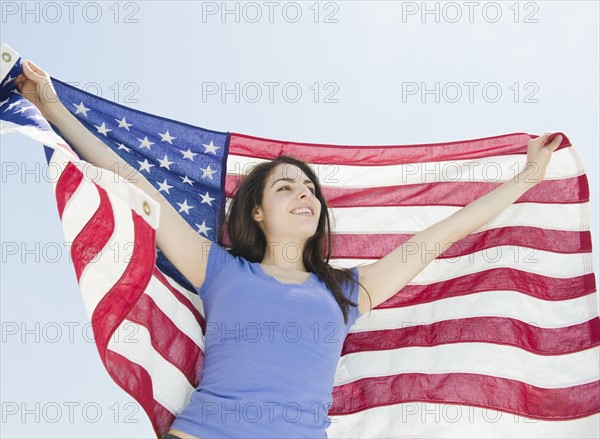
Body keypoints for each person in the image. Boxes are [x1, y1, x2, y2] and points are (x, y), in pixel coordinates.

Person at [14, 59, 564, 439]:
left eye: (309, 189)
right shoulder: (219, 269)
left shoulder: (349, 291)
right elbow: (136, 188)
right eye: (286, 187)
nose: (305, 194)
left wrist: (528, 177)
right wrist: (55, 111)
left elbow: (445, 233)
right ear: (257, 212)